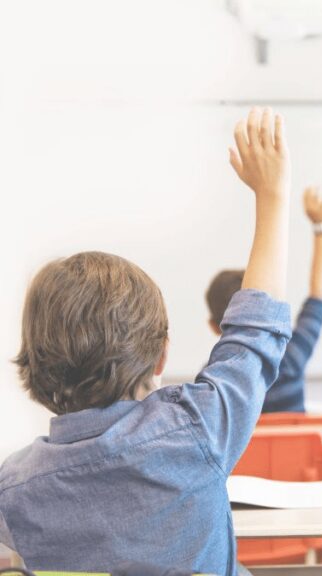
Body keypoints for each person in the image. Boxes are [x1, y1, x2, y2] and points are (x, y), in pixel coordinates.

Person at [0, 108, 294, 575]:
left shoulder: (14, 490)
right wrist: (273, 196)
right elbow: (255, 332)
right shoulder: (197, 429)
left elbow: (254, 332)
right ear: (161, 354)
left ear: (37, 359)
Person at [205, 186, 322, 413]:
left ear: (214, 326)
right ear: (263, 310)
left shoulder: (212, 380)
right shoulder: (291, 359)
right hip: (295, 450)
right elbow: (320, 295)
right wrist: (320, 226)